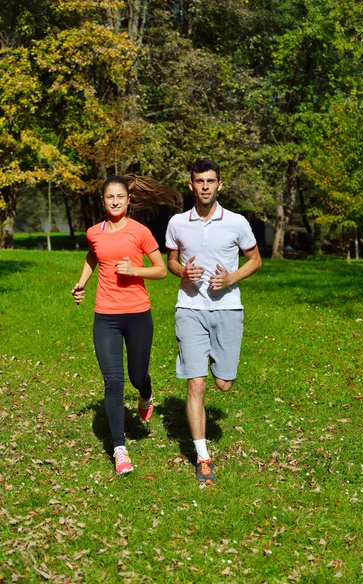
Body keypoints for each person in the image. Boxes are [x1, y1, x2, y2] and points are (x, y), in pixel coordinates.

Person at [72, 174, 181, 475]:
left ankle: (146, 394)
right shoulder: (95, 232)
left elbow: (161, 271)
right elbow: (93, 256)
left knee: (136, 376)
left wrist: (134, 270)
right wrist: (81, 283)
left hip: (137, 315)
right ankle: (120, 450)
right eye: (110, 197)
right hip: (105, 315)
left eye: (121, 196)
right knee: (114, 382)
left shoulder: (140, 232)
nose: (116, 201)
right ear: (104, 201)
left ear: (129, 200)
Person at [165, 159, 262, 485]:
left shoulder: (236, 223)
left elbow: (256, 260)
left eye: (210, 181)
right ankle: (203, 458)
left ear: (220, 185)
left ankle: (217, 363)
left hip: (228, 311)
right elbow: (172, 262)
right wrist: (183, 272)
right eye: (199, 181)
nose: (205, 186)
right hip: (189, 309)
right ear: (190, 185)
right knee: (197, 383)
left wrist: (231, 278)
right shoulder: (178, 223)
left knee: (223, 384)